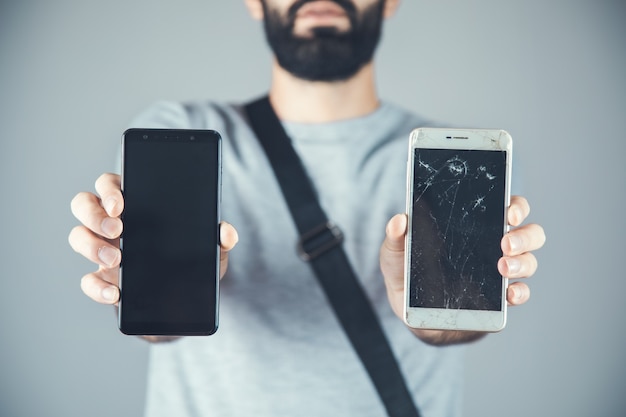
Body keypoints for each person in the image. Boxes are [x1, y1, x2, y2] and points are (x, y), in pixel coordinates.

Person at [68, 1, 546, 416]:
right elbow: (156, 326)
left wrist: (435, 315)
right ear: (254, 0)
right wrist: (152, 286)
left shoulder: (456, 162)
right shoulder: (178, 133)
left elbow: (460, 327)